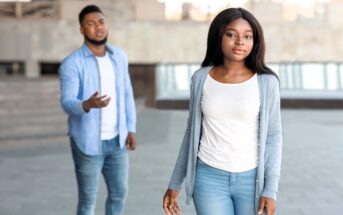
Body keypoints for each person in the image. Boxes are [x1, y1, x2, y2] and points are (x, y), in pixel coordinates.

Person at [163, 8, 282, 215]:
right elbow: (192, 132)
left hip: (252, 181)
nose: (239, 42)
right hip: (208, 178)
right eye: (231, 34)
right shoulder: (201, 78)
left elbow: (273, 136)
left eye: (247, 36)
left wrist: (270, 189)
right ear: (219, 36)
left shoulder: (267, 82)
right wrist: (175, 182)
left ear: (255, 42)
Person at [59, 5, 136, 215]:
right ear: (82, 30)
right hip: (87, 144)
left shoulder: (119, 56)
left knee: (119, 195)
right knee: (87, 201)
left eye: (101, 22)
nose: (98, 27)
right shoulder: (72, 63)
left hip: (117, 142)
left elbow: (127, 93)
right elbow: (66, 102)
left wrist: (131, 128)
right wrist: (87, 104)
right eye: (91, 24)